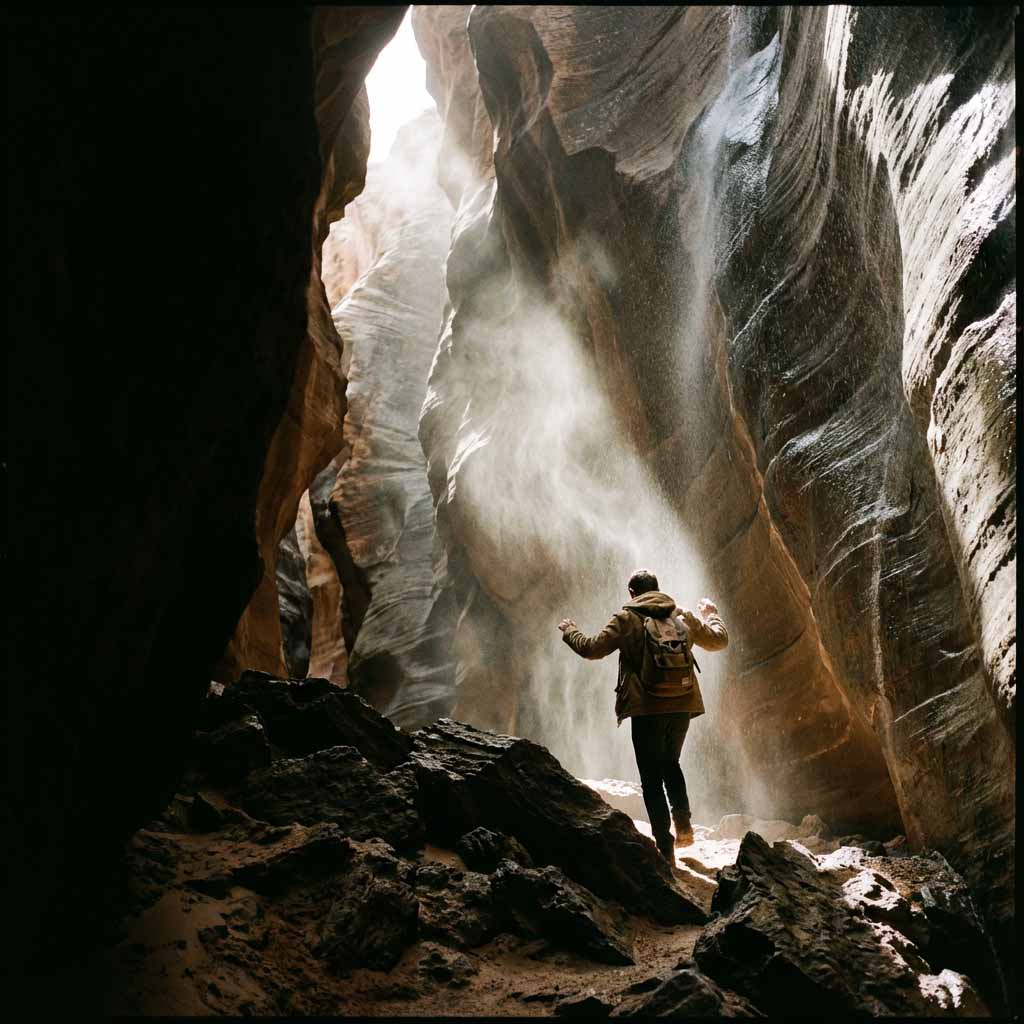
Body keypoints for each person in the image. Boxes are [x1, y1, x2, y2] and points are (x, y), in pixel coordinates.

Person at [558, 569, 728, 863]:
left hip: (647, 708)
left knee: (650, 778)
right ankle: (684, 824)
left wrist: (569, 631)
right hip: (682, 704)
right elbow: (718, 640)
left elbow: (592, 649)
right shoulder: (681, 616)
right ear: (658, 589)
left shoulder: (626, 619)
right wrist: (712, 614)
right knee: (671, 762)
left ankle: (665, 847)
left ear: (632, 593)